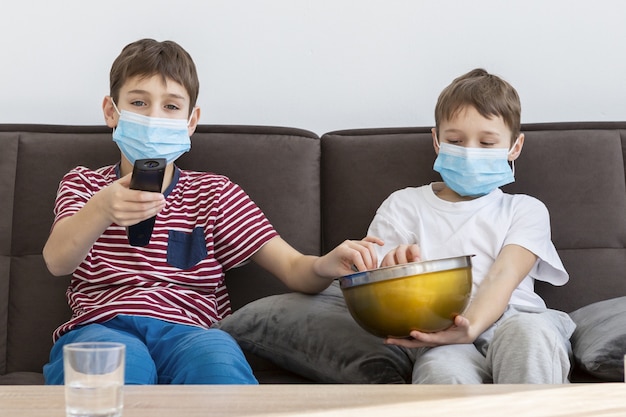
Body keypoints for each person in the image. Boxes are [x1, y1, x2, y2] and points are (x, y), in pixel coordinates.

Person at [42, 38, 381, 385]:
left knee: (217, 368)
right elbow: (57, 260)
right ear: (111, 111)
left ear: (191, 121)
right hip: (103, 326)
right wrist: (101, 208)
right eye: (139, 102)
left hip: (192, 332)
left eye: (171, 107)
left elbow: (294, 267)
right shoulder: (83, 184)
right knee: (123, 371)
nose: (154, 117)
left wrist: (327, 264)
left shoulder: (214, 193)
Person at [368, 68, 576, 383]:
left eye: (487, 142)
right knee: (441, 372)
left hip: (518, 319)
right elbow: (376, 280)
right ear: (437, 140)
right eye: (455, 140)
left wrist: (472, 325)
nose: (470, 152)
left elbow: (505, 275)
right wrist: (393, 269)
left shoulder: (524, 209)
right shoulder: (403, 206)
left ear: (514, 148)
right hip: (441, 333)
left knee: (529, 337)